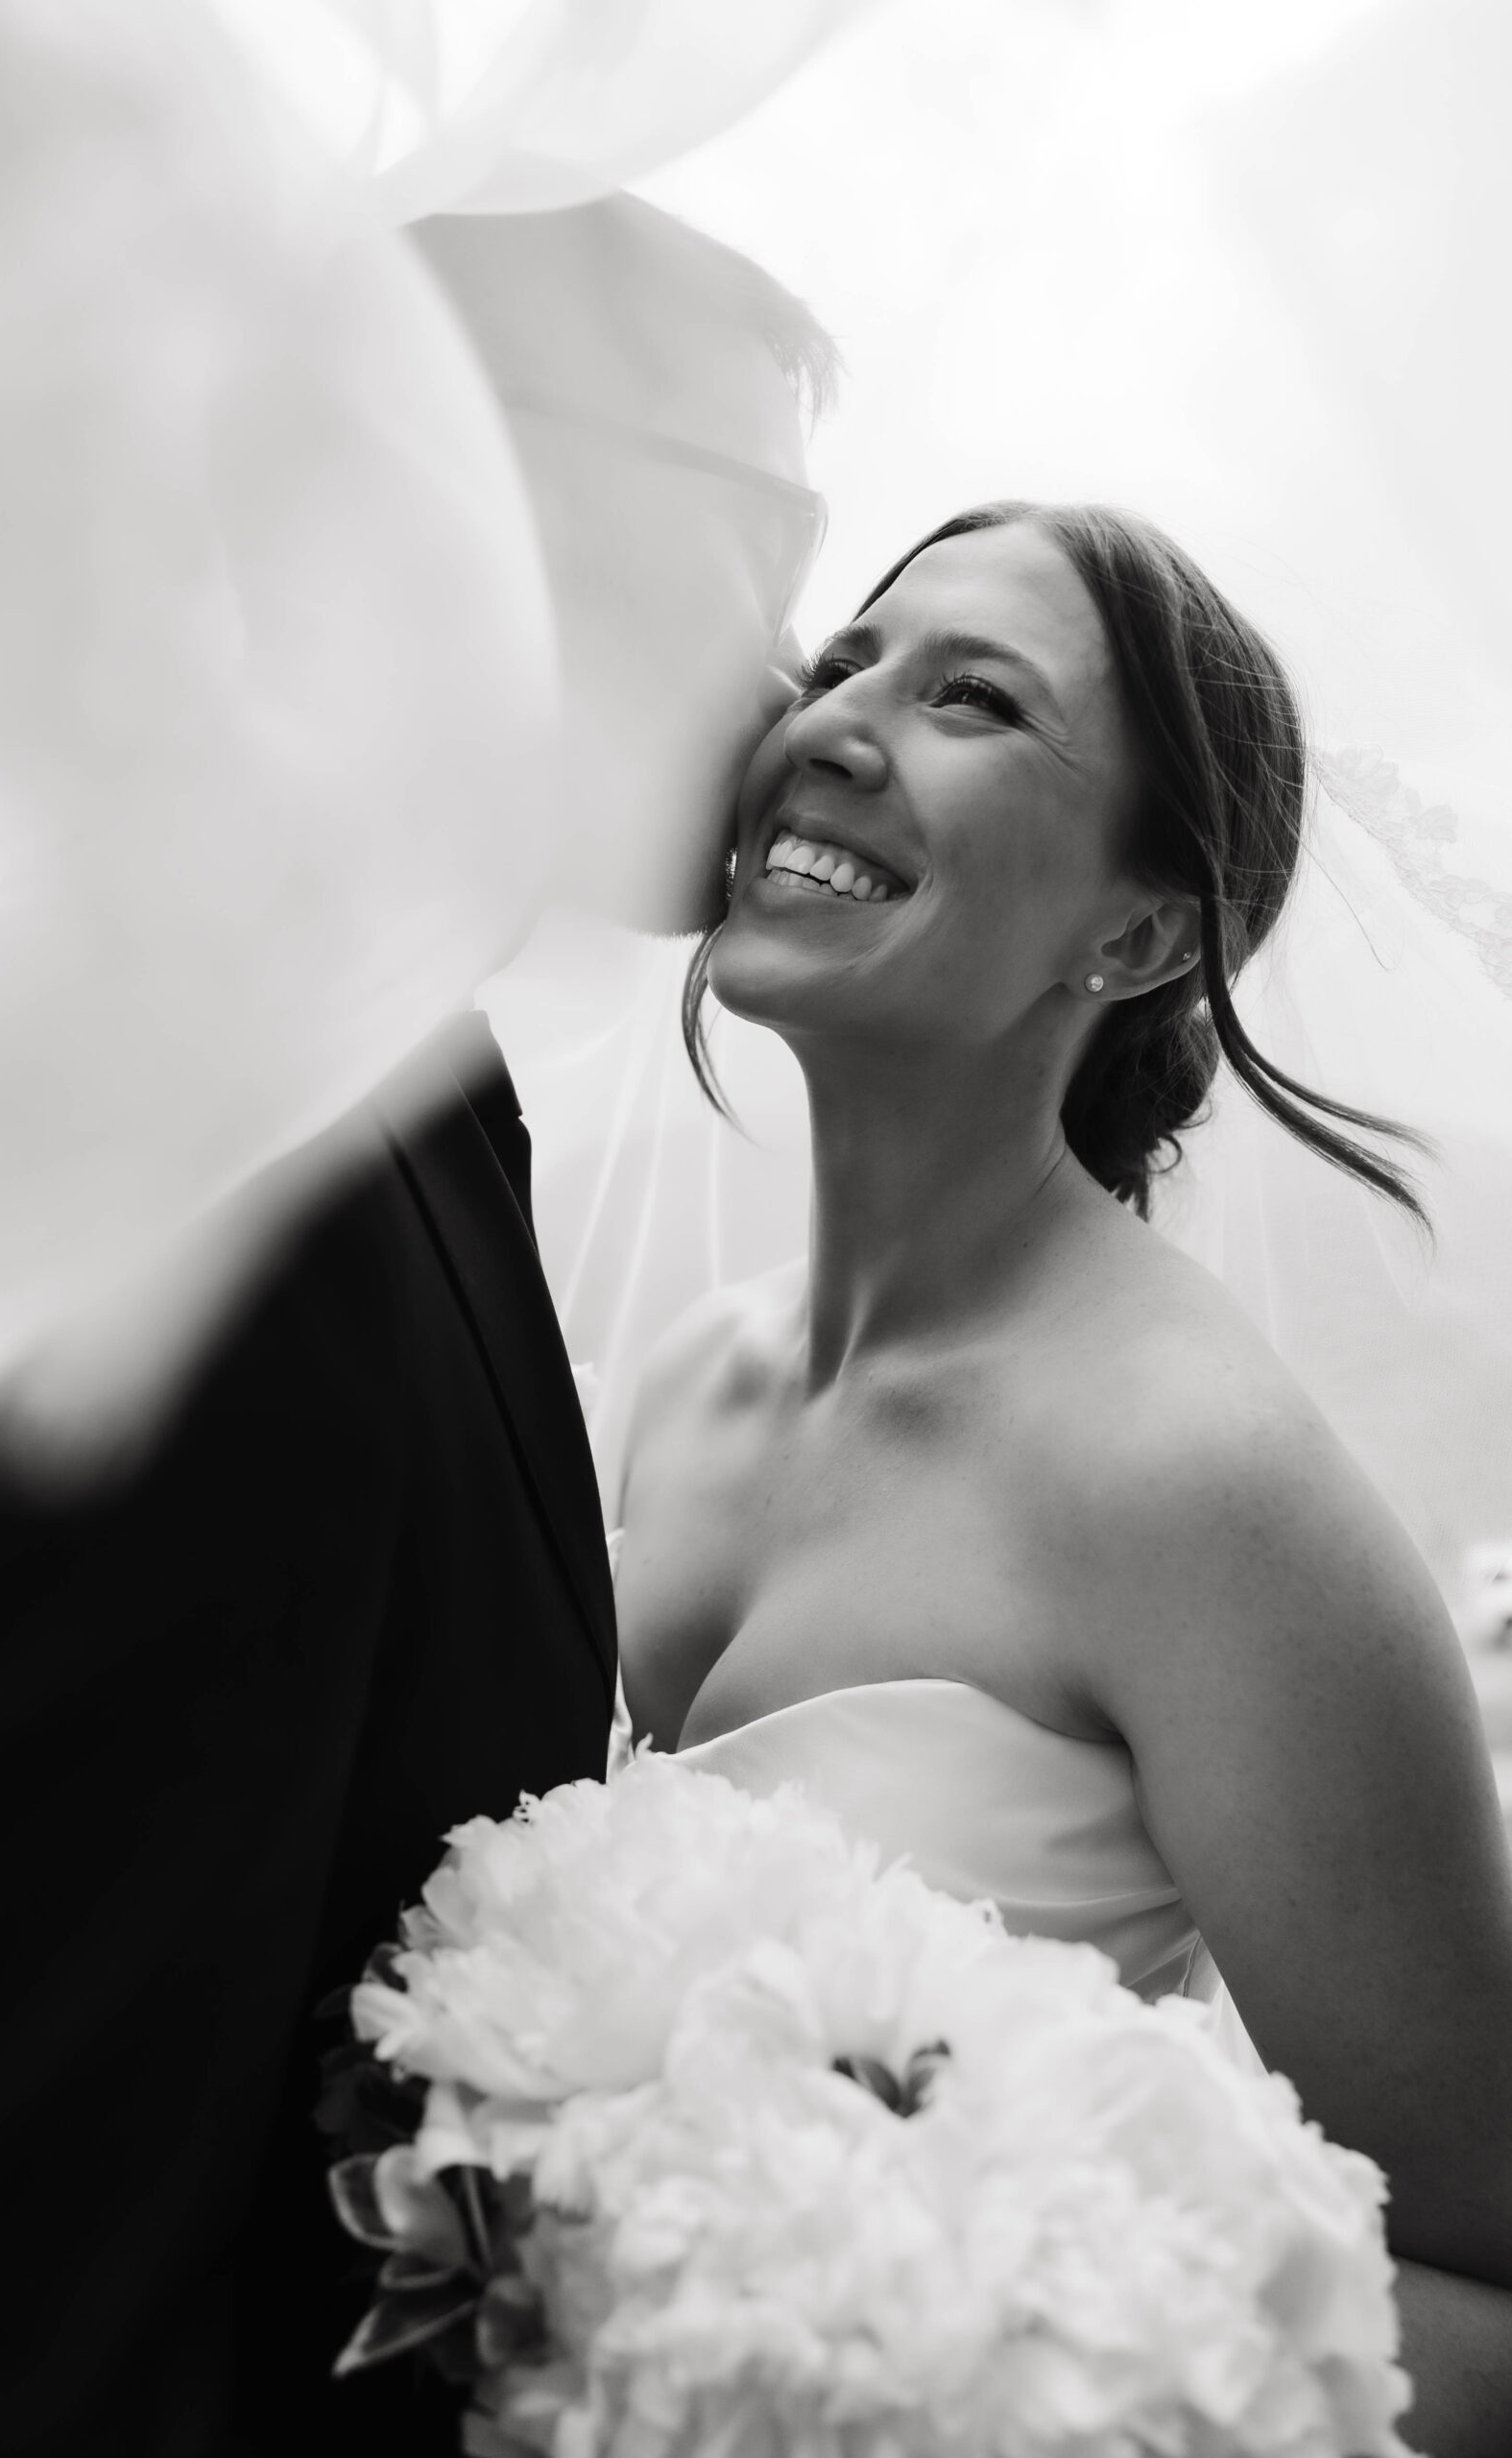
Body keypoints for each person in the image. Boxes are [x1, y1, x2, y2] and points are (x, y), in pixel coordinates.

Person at [0, 193, 830, 2458]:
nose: (804, 677)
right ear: (490, 479)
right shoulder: (218, 1120)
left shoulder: (408, 1085)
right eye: (765, 550)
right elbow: (17, 2127)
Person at [614, 503, 1512, 2458]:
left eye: (972, 698)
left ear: (1132, 931)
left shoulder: (1193, 1484)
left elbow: (1483, 2285)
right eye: (849, 657)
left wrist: (954, 2378)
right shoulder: (683, 1379)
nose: (837, 721)